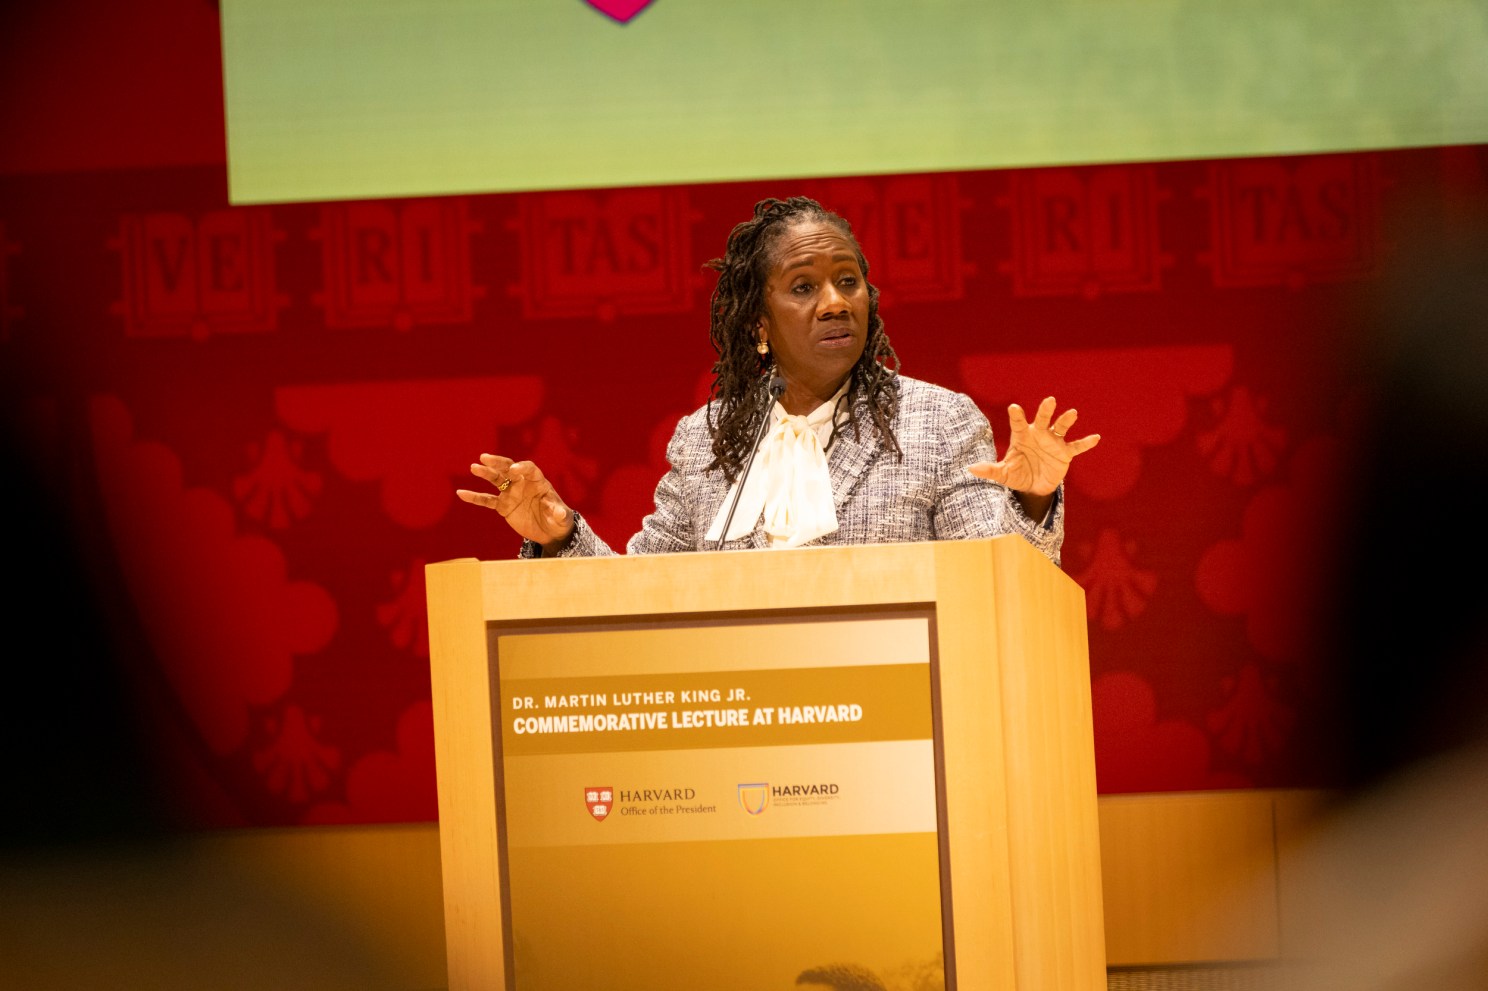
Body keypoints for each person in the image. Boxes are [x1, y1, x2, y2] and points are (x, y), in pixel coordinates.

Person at [457, 196, 1099, 562]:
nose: (834, 302)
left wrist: (1033, 500)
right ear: (759, 323)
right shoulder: (707, 440)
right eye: (803, 287)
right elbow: (646, 595)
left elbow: (990, 582)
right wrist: (561, 533)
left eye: (848, 281)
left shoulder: (936, 422)